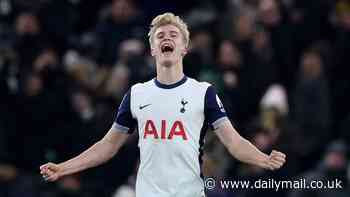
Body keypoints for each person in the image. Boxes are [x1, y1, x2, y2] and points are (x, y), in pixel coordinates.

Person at [40, 13, 286, 197]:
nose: (166, 38)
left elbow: (234, 142)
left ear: (184, 48)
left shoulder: (203, 93)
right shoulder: (136, 94)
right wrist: (64, 168)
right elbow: (107, 146)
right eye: (160, 36)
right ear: (152, 49)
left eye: (173, 35)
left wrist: (262, 159)